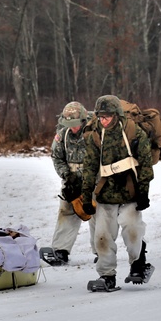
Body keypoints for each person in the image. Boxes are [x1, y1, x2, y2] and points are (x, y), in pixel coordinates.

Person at [79, 94, 155, 291]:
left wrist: (144, 193)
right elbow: (89, 167)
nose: (103, 120)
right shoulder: (95, 135)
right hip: (105, 194)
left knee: (132, 231)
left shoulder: (134, 132)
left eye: (107, 116)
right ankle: (106, 276)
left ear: (116, 115)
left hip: (131, 192)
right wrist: (86, 197)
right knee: (102, 237)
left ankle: (138, 263)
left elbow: (146, 164)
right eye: (100, 116)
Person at [45, 101, 97, 266]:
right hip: (71, 180)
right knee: (66, 212)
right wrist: (67, 176)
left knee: (98, 214)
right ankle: (60, 250)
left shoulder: (95, 132)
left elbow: (102, 158)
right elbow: (57, 157)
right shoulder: (62, 134)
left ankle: (102, 250)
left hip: (95, 180)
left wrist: (87, 178)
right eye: (69, 125)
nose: (72, 128)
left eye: (75, 125)